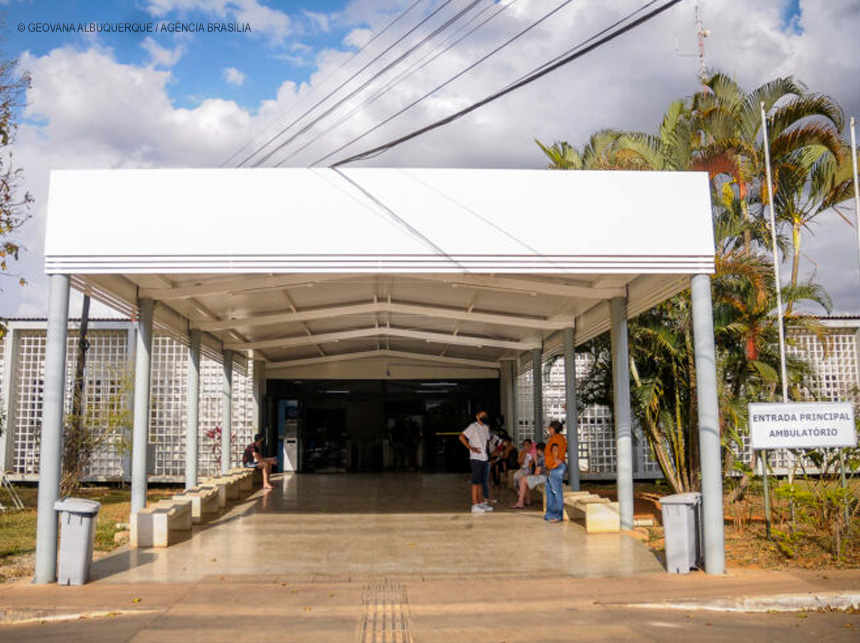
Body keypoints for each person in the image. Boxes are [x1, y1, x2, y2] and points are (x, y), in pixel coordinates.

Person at [458, 410, 494, 514]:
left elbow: (487, 442)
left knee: (482, 482)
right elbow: (461, 437)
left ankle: (480, 502)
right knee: (476, 481)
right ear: (477, 416)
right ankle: (474, 505)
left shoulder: (486, 428)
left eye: (485, 415)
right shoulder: (473, 427)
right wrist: (471, 448)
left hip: (484, 457)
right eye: (481, 415)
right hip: (476, 458)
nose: (484, 417)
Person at [544, 420, 568, 523]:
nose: (548, 430)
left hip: (556, 468)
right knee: (550, 492)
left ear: (553, 429)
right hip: (554, 468)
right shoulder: (559, 438)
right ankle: (550, 514)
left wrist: (553, 465)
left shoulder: (556, 439)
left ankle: (557, 515)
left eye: (549, 428)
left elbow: (555, 449)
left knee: (556, 492)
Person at [511, 441, 545, 508]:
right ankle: (528, 500)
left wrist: (535, 459)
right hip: (546, 476)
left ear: (539, 450)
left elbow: (537, 472)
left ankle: (520, 502)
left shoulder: (542, 458)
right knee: (526, 480)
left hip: (544, 477)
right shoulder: (546, 456)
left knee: (523, 480)